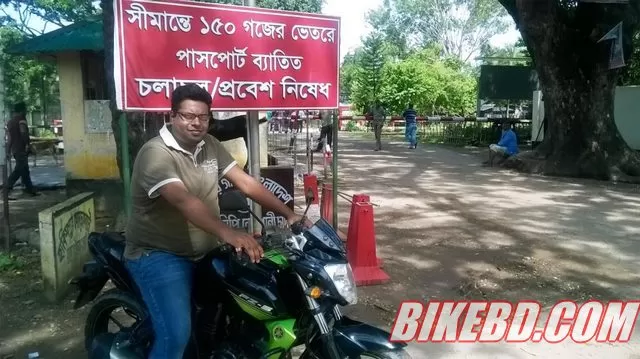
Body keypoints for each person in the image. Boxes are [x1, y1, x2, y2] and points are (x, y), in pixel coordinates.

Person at [124, 84, 308, 359]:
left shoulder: (209, 144)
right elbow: (185, 201)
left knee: (245, 301)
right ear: (172, 116)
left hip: (205, 251)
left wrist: (290, 214)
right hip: (159, 254)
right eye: (188, 115)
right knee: (176, 335)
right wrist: (228, 233)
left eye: (203, 117)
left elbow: (245, 182)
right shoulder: (156, 153)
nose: (196, 123)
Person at [5, 102, 38, 197]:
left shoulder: (10, 122)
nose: (26, 111)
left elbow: (10, 138)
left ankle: (29, 189)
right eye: (25, 109)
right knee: (20, 169)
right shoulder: (21, 120)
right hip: (21, 148)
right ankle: (6, 188)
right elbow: (23, 132)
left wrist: (8, 150)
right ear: (22, 110)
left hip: (15, 149)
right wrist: (27, 144)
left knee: (24, 169)